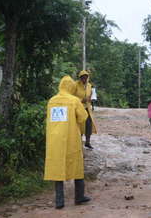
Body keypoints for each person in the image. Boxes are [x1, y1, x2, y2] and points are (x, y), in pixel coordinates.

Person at [44, 75, 91, 209]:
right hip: (71, 138)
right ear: (71, 87)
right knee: (77, 167)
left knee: (57, 168)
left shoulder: (52, 101)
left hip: (55, 140)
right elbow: (83, 117)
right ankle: (79, 197)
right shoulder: (74, 101)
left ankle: (59, 201)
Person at [74, 70, 97, 150]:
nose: (85, 79)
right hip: (78, 107)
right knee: (79, 125)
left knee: (89, 125)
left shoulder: (89, 85)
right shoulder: (75, 85)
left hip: (87, 107)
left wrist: (92, 101)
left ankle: (87, 142)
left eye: (86, 77)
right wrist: (80, 100)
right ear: (80, 78)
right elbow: (72, 96)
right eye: (83, 77)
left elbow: (91, 95)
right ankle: (78, 143)